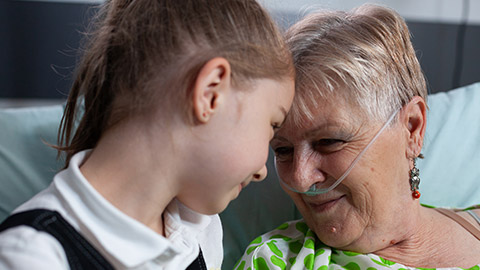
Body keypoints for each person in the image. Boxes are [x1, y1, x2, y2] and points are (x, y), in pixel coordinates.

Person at [0, 0, 294, 269]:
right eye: (271, 126)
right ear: (210, 94)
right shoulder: (30, 255)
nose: (261, 171)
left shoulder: (201, 231)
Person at [236, 4, 480, 269]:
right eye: (283, 150)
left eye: (329, 142)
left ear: (412, 128)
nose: (300, 178)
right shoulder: (274, 261)